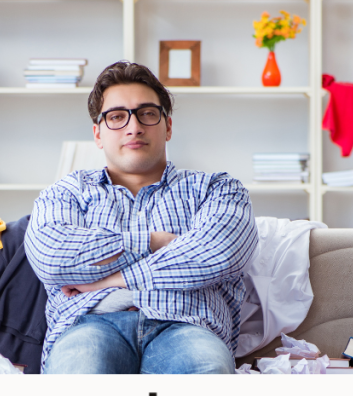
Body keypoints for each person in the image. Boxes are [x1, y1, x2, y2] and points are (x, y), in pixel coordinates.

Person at [23, 61, 259, 374]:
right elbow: (52, 257)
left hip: (187, 325)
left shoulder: (216, 188)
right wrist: (153, 242)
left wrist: (110, 279)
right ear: (98, 134)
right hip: (88, 325)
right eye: (117, 117)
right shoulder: (67, 192)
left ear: (168, 126)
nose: (134, 127)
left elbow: (218, 254)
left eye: (147, 113)